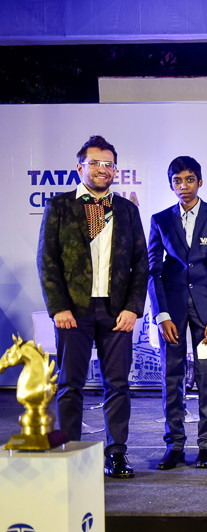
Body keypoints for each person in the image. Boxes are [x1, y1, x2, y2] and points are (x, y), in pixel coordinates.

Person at [37, 135, 149, 478]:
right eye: (95, 163)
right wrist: (58, 307)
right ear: (80, 167)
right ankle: (70, 452)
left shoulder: (127, 209)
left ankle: (116, 453)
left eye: (108, 164)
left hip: (116, 312)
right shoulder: (60, 206)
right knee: (71, 384)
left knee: (118, 384)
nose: (103, 170)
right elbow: (47, 261)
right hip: (74, 311)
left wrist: (132, 307)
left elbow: (141, 262)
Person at [148, 156, 207, 470]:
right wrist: (162, 315)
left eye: (189, 180)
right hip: (171, 313)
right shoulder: (160, 220)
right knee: (172, 378)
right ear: (171, 184)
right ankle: (175, 446)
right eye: (177, 181)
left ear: (200, 181)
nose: (184, 186)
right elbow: (152, 271)